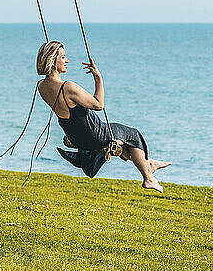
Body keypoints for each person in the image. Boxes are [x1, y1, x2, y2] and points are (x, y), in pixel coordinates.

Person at [36, 40, 171, 193]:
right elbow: (98, 105)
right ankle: (149, 179)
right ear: (52, 61)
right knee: (133, 135)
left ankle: (148, 164)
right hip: (95, 134)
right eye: (63, 57)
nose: (67, 61)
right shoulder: (67, 87)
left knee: (125, 145)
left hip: (77, 136)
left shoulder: (41, 86)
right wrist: (98, 77)